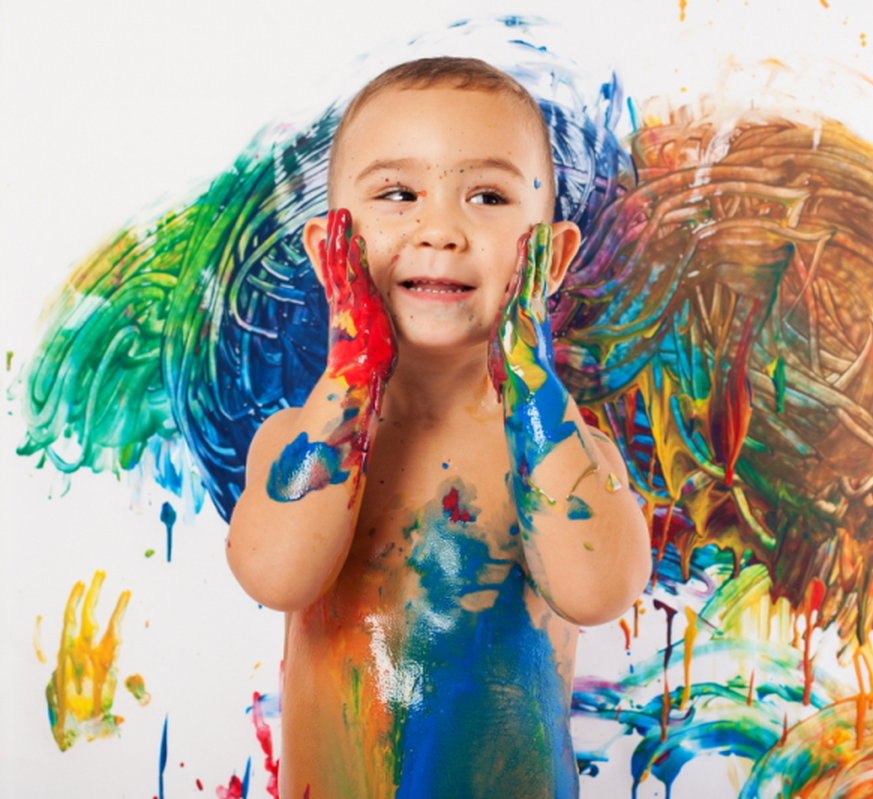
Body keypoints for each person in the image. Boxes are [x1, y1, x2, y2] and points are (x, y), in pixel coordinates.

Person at [226, 57, 652, 799]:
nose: (440, 229)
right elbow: (275, 573)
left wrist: (530, 382)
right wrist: (352, 372)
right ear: (330, 248)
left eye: (487, 195)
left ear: (550, 257)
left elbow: (599, 591)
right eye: (398, 193)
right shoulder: (295, 441)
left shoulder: (565, 459)